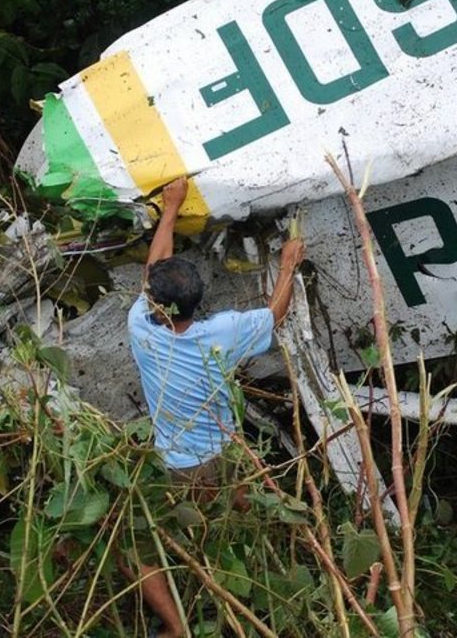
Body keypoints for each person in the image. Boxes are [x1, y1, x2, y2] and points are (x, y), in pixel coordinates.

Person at [128, 176, 304, 638]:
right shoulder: (222, 335)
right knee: (238, 527)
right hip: (225, 456)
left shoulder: (141, 327)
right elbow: (274, 315)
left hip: (175, 466)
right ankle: (251, 607)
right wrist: (288, 265)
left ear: (157, 305)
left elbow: (154, 266)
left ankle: (176, 626)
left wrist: (170, 208)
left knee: (138, 545)